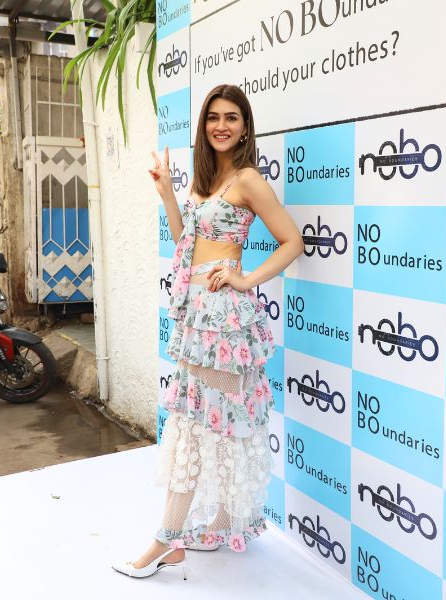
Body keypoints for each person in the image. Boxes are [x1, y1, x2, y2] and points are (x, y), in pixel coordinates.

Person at [112, 84, 304, 578]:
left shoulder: (248, 179)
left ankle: (166, 539)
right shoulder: (205, 180)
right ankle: (213, 525)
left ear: (245, 126)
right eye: (214, 117)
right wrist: (166, 193)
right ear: (204, 125)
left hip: (226, 321)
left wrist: (245, 279)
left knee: (198, 426)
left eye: (231, 117)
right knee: (205, 422)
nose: (222, 125)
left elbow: (292, 241)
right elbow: (186, 245)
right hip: (197, 316)